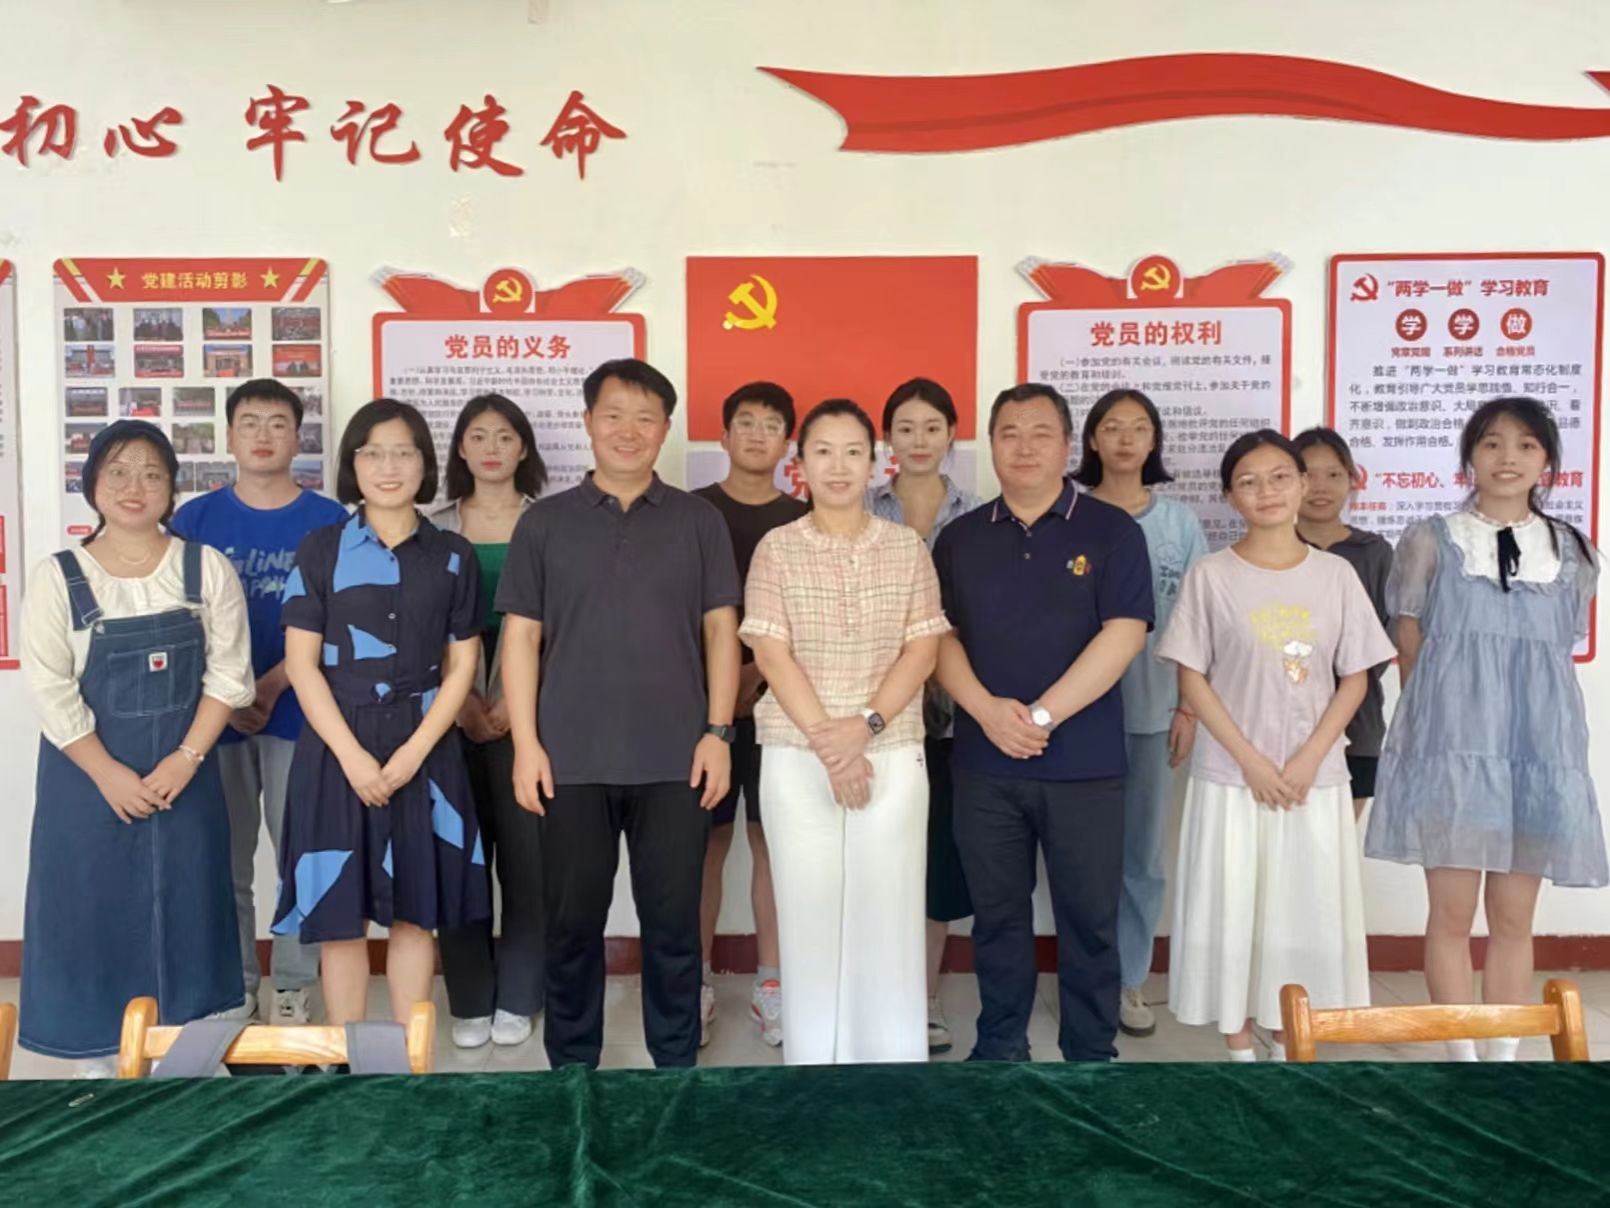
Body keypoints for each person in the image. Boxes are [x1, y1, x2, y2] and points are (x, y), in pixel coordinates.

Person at [499, 358, 741, 1070]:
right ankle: (573, 1070)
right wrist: (526, 745)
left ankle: (675, 1069)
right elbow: (521, 638)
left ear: (665, 429)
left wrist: (718, 733)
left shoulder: (699, 521)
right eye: (613, 415)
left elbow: (722, 631)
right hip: (569, 760)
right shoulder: (545, 523)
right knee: (572, 925)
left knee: (673, 927)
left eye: (644, 418)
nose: (628, 431)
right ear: (587, 423)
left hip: (677, 759)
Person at [1366, 397, 1606, 1062]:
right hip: (1451, 750)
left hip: (1536, 750)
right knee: (1450, 914)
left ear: (1547, 459)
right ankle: (1459, 1056)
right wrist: (1433, 733)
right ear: (1469, 453)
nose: (1508, 458)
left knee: (1512, 917)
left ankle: (1503, 1058)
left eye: (1526, 445)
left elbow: (1556, 649)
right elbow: (1409, 643)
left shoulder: (1575, 551)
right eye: (1492, 443)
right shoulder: (1429, 539)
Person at [20, 421, 254, 1074]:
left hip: (186, 776)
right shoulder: (59, 577)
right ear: (92, 484)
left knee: (190, 903)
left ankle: (190, 1051)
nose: (135, 486)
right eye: (118, 471)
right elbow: (51, 689)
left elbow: (229, 676)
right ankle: (96, 1055)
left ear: (172, 488)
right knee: (91, 909)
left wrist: (187, 758)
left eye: (153, 473)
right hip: (86, 782)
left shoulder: (203, 568)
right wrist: (108, 775)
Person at [1158, 429, 1394, 1061]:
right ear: (1230, 496)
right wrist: (1253, 763)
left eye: (1280, 477)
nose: (1266, 491)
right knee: (1233, 904)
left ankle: (1295, 1037)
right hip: (1232, 776)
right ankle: (1238, 1041)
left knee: (1304, 907)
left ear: (1303, 484)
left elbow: (1356, 676)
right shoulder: (1212, 576)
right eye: (1249, 481)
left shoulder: (1336, 575)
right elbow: (1192, 677)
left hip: (1312, 778)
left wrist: (1311, 756)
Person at [934, 383, 1153, 1062]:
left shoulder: (1112, 531)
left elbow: (1124, 634)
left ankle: (1090, 1054)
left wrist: (1040, 715)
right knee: (998, 918)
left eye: (1039, 433)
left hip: (1084, 765)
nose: (1023, 447)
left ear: (1066, 445)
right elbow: (939, 638)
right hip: (984, 764)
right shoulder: (960, 537)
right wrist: (985, 711)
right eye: (1009, 433)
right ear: (990, 445)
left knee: (1089, 919)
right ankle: (1001, 1047)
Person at [270, 399, 489, 1028]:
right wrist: (353, 758)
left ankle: (407, 1064)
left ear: (424, 464)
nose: (388, 467)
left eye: (403, 453)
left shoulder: (453, 554)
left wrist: (414, 753)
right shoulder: (320, 549)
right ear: (353, 464)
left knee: (416, 913)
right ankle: (350, 1058)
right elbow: (302, 664)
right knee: (340, 918)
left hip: (426, 747)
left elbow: (462, 666)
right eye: (373, 453)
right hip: (337, 748)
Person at [743, 399, 949, 1064]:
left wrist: (864, 727)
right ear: (799, 465)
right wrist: (832, 746)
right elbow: (771, 652)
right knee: (808, 911)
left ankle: (890, 1065)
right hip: (796, 754)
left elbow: (923, 649)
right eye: (823, 452)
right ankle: (814, 1063)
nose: (838, 466)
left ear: (876, 463)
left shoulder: (906, 547)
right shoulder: (777, 548)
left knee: (887, 911)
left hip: (890, 750)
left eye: (853, 452)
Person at [168, 378, 347, 1025]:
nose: (263, 434)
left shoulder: (330, 521)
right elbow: (177, 622)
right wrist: (230, 694)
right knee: (226, 859)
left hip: (301, 713)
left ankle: (294, 984)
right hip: (213, 719)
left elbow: (340, 623)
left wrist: (266, 687)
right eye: (250, 422)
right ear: (229, 435)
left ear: (298, 437)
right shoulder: (193, 521)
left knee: (301, 855)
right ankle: (236, 983)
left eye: (277, 423)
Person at [1072, 388, 1208, 1039]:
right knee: (1077, 856)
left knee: (1141, 858)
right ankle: (1084, 975)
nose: (1126, 439)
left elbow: (1200, 624)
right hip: (1075, 715)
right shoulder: (1068, 514)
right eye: (1112, 427)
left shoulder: (1179, 524)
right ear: (1092, 439)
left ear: (1154, 442)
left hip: (1153, 711)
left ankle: (1129, 979)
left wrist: (1189, 706)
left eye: (1139, 428)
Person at [692, 381, 808, 1048]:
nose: (758, 434)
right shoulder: (691, 513)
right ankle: (696, 980)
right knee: (702, 846)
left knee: (773, 842)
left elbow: (810, 622)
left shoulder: (804, 517)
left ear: (788, 442)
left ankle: (772, 983)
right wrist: (719, 687)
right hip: (699, 712)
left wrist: (754, 674)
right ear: (724, 435)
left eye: (771, 424)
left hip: (781, 709)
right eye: (746, 422)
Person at [432, 394, 549, 1051]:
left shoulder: (549, 523)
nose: (492, 448)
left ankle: (520, 994)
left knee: (529, 863)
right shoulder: (432, 526)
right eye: (478, 436)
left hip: (530, 719)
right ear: (461, 448)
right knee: (458, 858)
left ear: (523, 447)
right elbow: (417, 622)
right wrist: (465, 705)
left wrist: (513, 704)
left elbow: (565, 624)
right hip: (447, 718)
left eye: (505, 436)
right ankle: (471, 998)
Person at [867, 376, 978, 1054]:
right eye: (905, 428)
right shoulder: (861, 505)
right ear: (887, 439)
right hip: (876, 712)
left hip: (956, 716)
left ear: (951, 436)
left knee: (938, 859)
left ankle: (926, 996)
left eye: (931, 428)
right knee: (877, 853)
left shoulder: (980, 515)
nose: (918, 440)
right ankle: (875, 991)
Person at [1292, 427, 1395, 821]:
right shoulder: (1271, 549)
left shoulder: (1374, 553)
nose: (1321, 487)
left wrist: (1343, 685)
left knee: (1337, 843)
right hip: (1281, 720)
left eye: (1334, 475)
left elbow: (1384, 637)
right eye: (1308, 475)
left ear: (1352, 480)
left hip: (1358, 722)